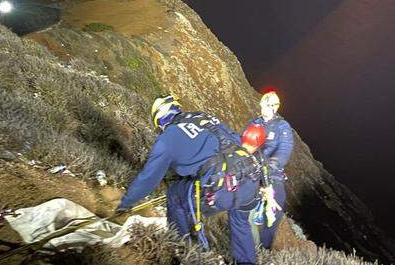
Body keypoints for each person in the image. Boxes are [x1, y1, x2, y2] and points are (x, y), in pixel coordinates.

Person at [116, 95, 265, 265]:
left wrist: (126, 203)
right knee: (240, 222)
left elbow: (148, 179)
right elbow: (238, 141)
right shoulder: (203, 117)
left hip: (222, 187)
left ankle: (185, 252)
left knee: (174, 195)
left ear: (161, 119)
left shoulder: (168, 137)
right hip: (250, 179)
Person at [247, 90, 294, 250]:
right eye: (262, 104)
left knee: (276, 205)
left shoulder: (282, 127)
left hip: (270, 173)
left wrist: (270, 165)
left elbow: (284, 150)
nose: (262, 107)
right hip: (251, 171)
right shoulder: (255, 123)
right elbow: (244, 142)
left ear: (274, 107)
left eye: (265, 104)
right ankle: (249, 245)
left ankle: (264, 247)